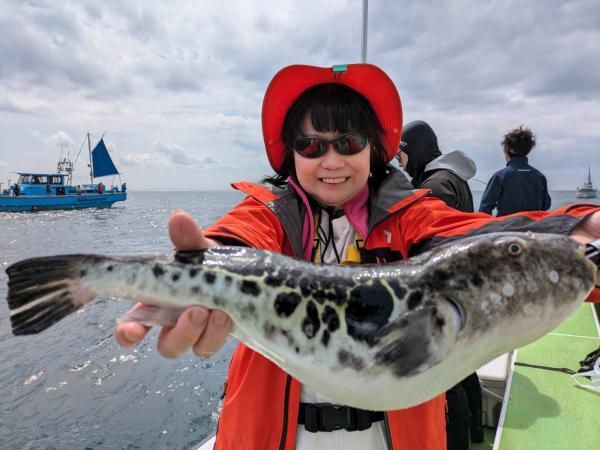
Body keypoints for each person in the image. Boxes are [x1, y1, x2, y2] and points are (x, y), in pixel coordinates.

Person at [115, 64, 600, 450]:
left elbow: (473, 236)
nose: (331, 161)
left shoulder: (412, 216)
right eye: (311, 145)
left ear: (374, 149)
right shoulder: (271, 212)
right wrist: (206, 266)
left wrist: (574, 231)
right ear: (291, 154)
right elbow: (240, 238)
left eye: (348, 143)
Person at [396, 120, 481, 449]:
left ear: (414, 149)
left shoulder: (436, 185)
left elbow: (432, 244)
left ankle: (458, 439)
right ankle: (476, 431)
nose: (400, 162)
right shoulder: (454, 177)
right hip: (464, 289)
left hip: (446, 294)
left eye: (401, 154)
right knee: (464, 369)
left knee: (447, 380)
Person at [396, 120, 476, 212]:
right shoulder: (448, 177)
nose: (400, 164)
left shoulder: (435, 185)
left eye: (399, 156)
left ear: (413, 152)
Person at [479, 126, 551, 216]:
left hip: (506, 224)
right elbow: (546, 205)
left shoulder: (500, 176)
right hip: (533, 224)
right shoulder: (540, 176)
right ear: (527, 150)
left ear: (506, 149)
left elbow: (484, 208)